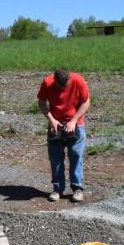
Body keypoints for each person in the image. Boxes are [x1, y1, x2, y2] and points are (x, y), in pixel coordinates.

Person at [37, 68, 91, 202]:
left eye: (64, 85)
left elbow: (86, 102)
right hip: (56, 124)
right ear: (55, 81)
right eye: (59, 86)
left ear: (69, 79)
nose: (62, 88)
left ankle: (77, 189)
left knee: (76, 154)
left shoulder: (78, 80)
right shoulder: (47, 82)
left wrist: (74, 121)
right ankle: (57, 189)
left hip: (76, 123)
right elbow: (42, 102)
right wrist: (52, 120)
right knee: (55, 158)